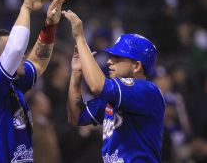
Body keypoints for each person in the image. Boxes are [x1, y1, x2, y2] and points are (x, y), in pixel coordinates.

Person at [0, 0, 68, 163]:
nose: (23, 55)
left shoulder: (14, 84)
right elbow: (15, 49)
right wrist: (26, 8)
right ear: (0, 58)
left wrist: (50, 26)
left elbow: (38, 63)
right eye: (16, 53)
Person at [63, 10, 165, 163]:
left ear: (137, 66)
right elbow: (76, 117)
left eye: (117, 57)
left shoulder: (148, 91)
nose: (110, 61)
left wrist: (80, 38)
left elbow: (97, 86)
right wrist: (77, 73)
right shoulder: (116, 95)